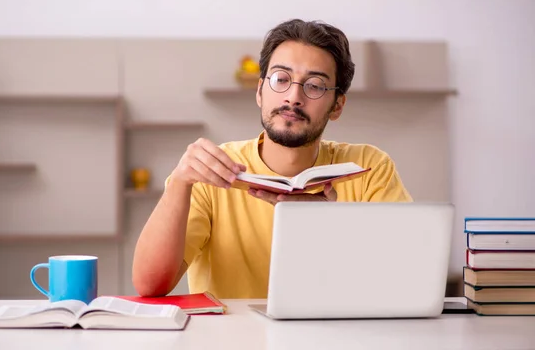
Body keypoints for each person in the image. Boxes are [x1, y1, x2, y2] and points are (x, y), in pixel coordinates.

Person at [131, 19, 412, 299]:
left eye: (315, 86)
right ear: (259, 91)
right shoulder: (212, 172)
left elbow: (404, 278)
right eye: (281, 79)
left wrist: (330, 229)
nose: (294, 96)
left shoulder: (369, 168)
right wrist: (180, 183)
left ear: (337, 105)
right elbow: (149, 286)